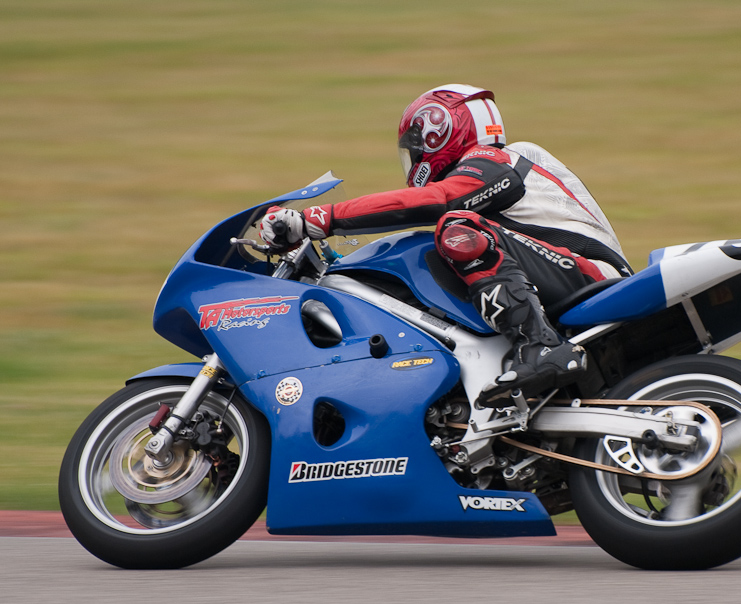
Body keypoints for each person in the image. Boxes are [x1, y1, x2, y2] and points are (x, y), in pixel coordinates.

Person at [259, 84, 631, 405]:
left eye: (415, 148)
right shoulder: (494, 177)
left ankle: (540, 346)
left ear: (439, 133)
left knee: (456, 228)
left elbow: (437, 200)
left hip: (591, 277)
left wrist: (319, 219)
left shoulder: (494, 160)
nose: (414, 160)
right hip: (567, 271)